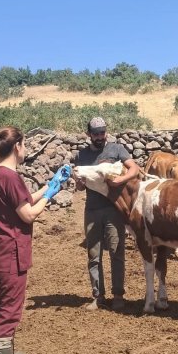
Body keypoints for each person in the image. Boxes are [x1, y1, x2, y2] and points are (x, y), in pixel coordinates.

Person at [0, 126, 71, 354]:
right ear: (18, 146)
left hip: (0, 251)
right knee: (9, 311)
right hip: (11, 253)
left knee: (6, 305)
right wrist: (49, 196)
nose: (27, 149)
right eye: (26, 144)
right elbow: (28, 214)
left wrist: (49, 185)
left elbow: (21, 201)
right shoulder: (10, 177)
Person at [72, 116, 140, 310]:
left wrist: (120, 180)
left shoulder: (116, 150)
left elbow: (134, 168)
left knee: (116, 252)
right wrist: (79, 182)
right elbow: (79, 188)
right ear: (89, 135)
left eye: (102, 132)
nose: (100, 136)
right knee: (93, 254)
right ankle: (98, 296)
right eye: (96, 133)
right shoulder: (81, 156)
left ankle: (118, 295)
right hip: (92, 210)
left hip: (113, 209)